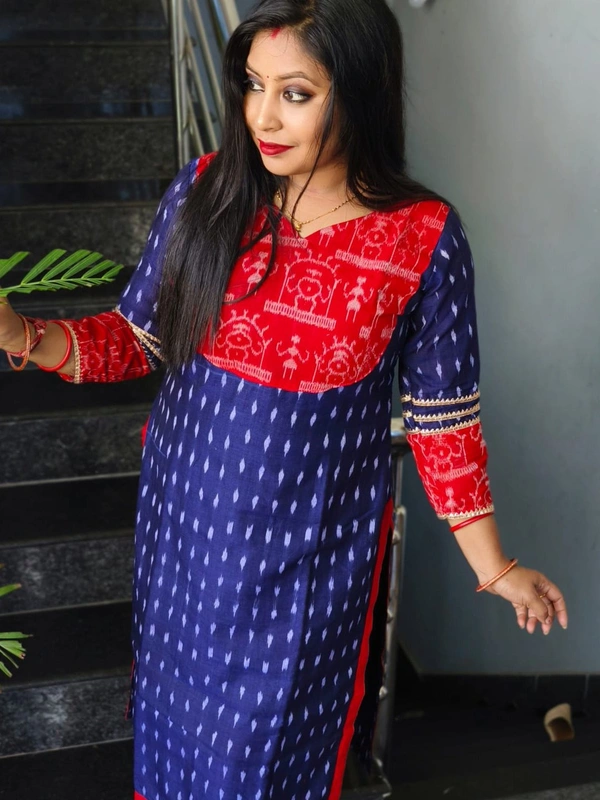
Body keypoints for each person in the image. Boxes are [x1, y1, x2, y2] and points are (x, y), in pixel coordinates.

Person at [0, 0, 567, 798]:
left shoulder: (422, 237)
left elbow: (444, 420)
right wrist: (22, 334)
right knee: (175, 748)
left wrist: (495, 567)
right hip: (187, 549)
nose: (262, 116)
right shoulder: (208, 190)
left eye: (295, 93)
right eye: (252, 85)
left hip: (307, 568)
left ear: (361, 91)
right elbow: (136, 341)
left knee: (267, 764)